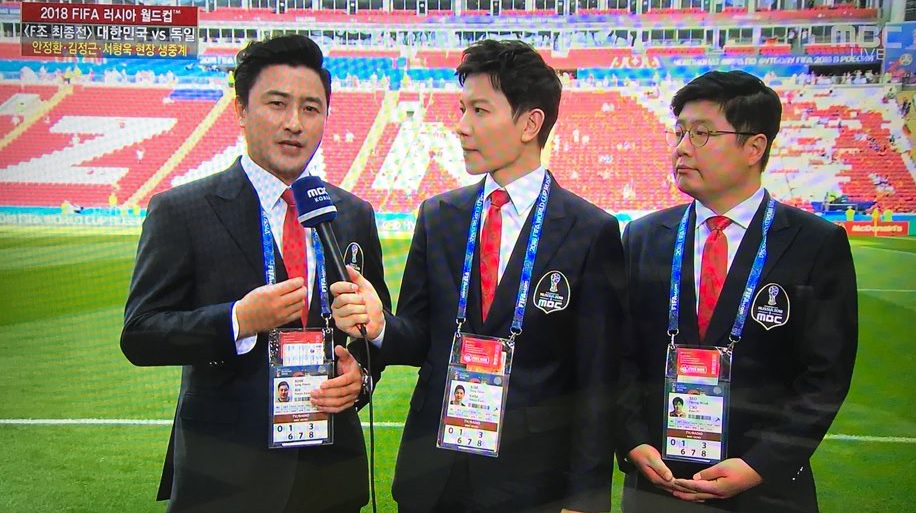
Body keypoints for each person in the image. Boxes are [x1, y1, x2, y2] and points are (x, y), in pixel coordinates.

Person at [330, 39, 626, 513]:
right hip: (434, 477)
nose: (461, 126)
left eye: (480, 110)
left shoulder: (591, 231)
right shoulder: (439, 216)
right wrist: (381, 324)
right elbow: (419, 336)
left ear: (530, 123)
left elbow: (597, 379)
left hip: (531, 484)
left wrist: (584, 499)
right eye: (461, 109)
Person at [120, 34, 392, 513]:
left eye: (311, 108)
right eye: (277, 104)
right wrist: (238, 320)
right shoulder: (181, 211)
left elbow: (375, 329)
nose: (294, 123)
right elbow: (141, 335)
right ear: (241, 110)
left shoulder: (352, 213)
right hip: (225, 476)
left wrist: (361, 376)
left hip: (331, 474)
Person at [616, 70, 858, 513]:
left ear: (754, 147)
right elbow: (619, 355)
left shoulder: (815, 243)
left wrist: (760, 464)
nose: (682, 147)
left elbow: (825, 376)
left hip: (765, 493)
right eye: (679, 132)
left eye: (702, 133)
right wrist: (632, 440)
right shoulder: (643, 237)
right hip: (657, 485)